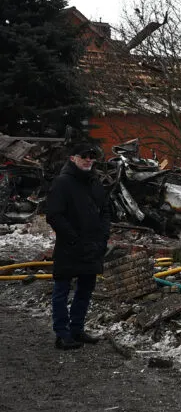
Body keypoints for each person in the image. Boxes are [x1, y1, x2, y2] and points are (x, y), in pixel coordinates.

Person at [46, 143, 110, 350]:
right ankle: (62, 334)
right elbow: (54, 215)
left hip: (92, 247)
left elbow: (105, 211)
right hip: (69, 247)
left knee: (85, 290)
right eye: (84, 156)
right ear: (73, 158)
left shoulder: (94, 182)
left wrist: (103, 237)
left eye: (92, 156)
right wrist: (73, 238)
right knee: (62, 290)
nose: (88, 160)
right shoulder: (62, 182)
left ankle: (77, 329)